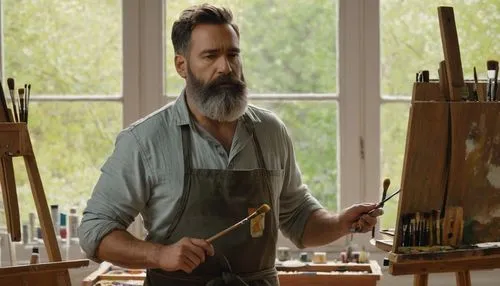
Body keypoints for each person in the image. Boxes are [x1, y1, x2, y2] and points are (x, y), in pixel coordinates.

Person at [78, 4, 382, 286]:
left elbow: (299, 220)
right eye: (210, 56)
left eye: (233, 54)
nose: (225, 67)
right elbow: (95, 232)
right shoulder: (145, 140)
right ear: (182, 65)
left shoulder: (270, 131)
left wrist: (341, 223)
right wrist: (158, 255)